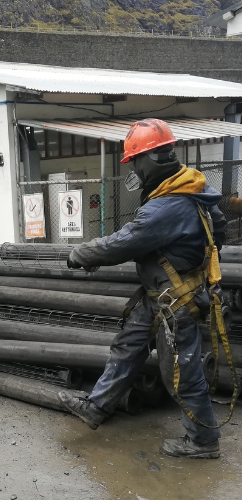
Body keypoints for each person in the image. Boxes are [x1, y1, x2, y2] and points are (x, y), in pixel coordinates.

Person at [57, 118, 227, 459]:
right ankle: (97, 406)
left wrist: (80, 253)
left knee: (181, 372)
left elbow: (125, 241)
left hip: (175, 301)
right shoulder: (187, 190)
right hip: (159, 297)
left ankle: (203, 443)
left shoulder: (169, 205)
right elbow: (219, 230)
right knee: (127, 348)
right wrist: (181, 254)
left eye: (134, 160)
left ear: (148, 159)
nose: (133, 167)